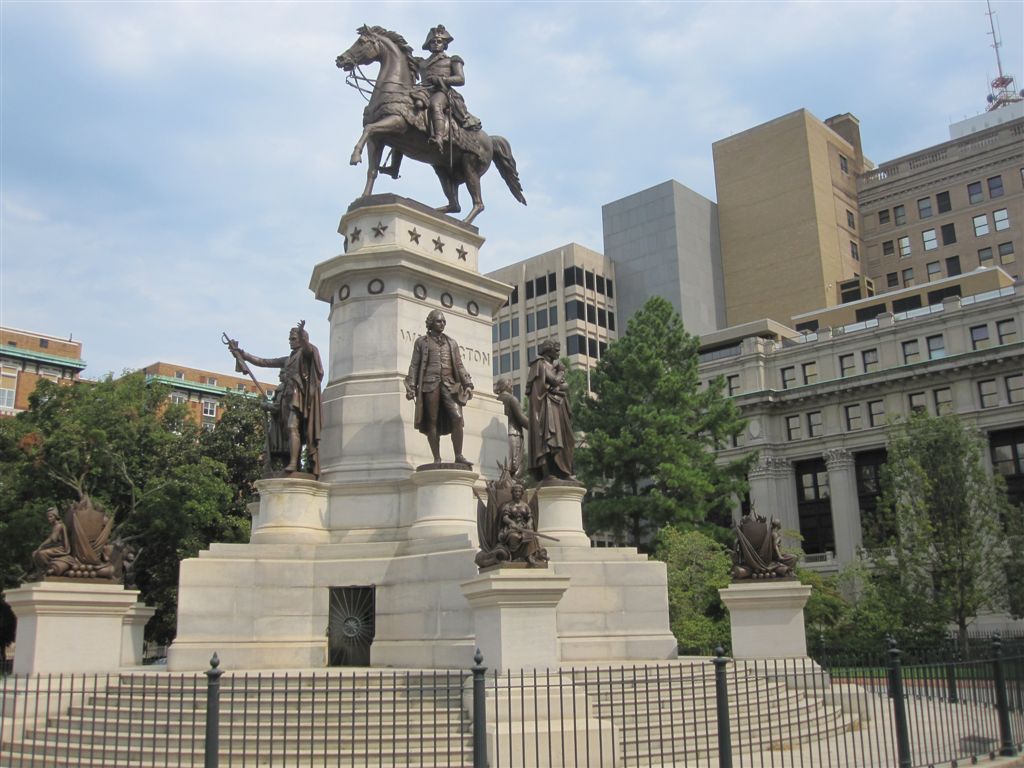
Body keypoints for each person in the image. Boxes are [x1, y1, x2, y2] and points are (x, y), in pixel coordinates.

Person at [231, 321, 324, 477]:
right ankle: (294, 463)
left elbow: (309, 349)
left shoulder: (305, 354)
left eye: (293, 338)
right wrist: (243, 354)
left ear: (301, 339)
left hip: (298, 396)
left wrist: (302, 334)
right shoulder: (287, 359)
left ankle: (294, 463)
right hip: (286, 398)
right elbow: (264, 362)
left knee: (292, 427)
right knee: (289, 431)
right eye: (290, 338)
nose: (290, 341)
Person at [405, 309, 474, 465]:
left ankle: (459, 455)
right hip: (429, 385)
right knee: (432, 420)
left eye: (443, 321)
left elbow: (459, 365)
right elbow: (414, 366)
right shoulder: (421, 342)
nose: (442, 324)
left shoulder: (452, 343)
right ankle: (436, 458)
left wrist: (468, 384)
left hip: (450, 385)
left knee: (457, 418)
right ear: (430, 323)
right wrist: (411, 386)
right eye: (438, 321)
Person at [416, 24, 481, 149]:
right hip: (422, 91)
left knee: (436, 104)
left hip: (442, 91)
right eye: (433, 41)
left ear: (444, 44)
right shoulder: (421, 62)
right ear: (429, 45)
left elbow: (460, 79)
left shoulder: (452, 60)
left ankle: (439, 138)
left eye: (439, 41)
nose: (436, 43)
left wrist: (441, 79)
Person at [526, 340, 575, 482]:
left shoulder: (552, 366)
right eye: (556, 350)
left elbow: (564, 385)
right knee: (548, 440)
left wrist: (558, 385)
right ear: (548, 350)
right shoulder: (540, 364)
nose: (559, 353)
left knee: (567, 439)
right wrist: (560, 372)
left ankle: (563, 471)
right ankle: (548, 473)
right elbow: (554, 381)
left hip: (557, 406)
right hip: (545, 408)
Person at [497, 483, 547, 566]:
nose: (517, 493)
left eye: (519, 491)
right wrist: (511, 522)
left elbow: (530, 517)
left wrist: (529, 523)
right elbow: (505, 518)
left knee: (531, 536)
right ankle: (514, 557)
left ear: (521, 493)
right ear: (512, 493)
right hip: (511, 528)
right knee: (514, 536)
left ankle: (530, 556)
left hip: (523, 527)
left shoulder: (525, 505)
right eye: (515, 491)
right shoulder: (507, 505)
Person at [494, 378, 528, 477]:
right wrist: (536, 426)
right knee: (516, 466)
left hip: (500, 436)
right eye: (510, 386)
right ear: (505, 386)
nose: (512, 388)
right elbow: (521, 418)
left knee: (505, 466)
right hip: (514, 435)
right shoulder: (512, 399)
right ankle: (512, 489)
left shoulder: (496, 400)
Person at [31, 507, 69, 576]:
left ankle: (48, 568)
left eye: (51, 517)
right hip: (54, 547)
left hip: (61, 548)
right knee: (34, 553)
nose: (49, 519)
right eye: (48, 517)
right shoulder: (54, 526)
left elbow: (52, 539)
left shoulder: (59, 525)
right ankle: (40, 571)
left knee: (41, 553)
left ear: (55, 516)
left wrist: (42, 545)